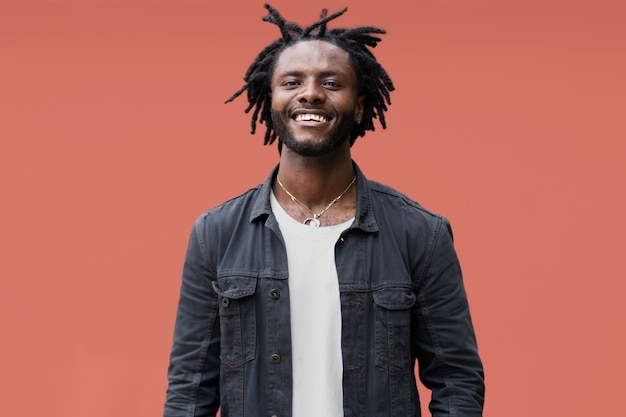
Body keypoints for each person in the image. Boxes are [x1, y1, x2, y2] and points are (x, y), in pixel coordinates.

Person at [164, 4, 484, 417]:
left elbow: (457, 380)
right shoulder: (217, 233)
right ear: (271, 98)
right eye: (292, 81)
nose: (311, 93)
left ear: (361, 105)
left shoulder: (420, 234)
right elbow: (190, 391)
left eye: (331, 83)